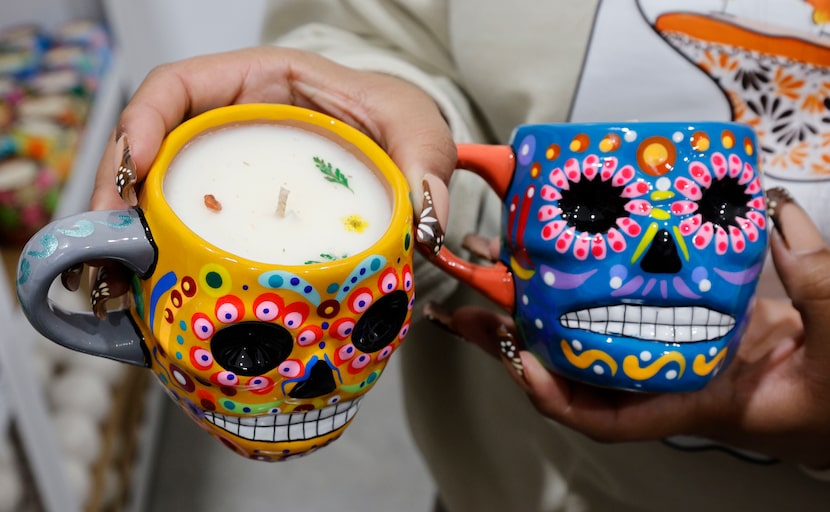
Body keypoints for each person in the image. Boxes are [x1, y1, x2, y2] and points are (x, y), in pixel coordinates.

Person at [85, 1, 830, 510]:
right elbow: (374, 30)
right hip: (505, 478)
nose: (660, 259)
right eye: (594, 208)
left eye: (723, 207)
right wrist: (386, 152)